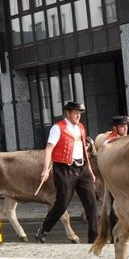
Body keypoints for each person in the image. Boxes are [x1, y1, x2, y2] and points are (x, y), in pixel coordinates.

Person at [36, 100, 99, 244]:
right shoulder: (57, 128)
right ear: (68, 113)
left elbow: (84, 150)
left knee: (92, 203)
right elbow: (48, 149)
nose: (78, 116)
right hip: (64, 169)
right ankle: (44, 229)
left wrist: (90, 170)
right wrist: (45, 170)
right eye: (76, 113)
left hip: (82, 169)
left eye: (80, 114)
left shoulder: (81, 128)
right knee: (62, 203)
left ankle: (93, 239)